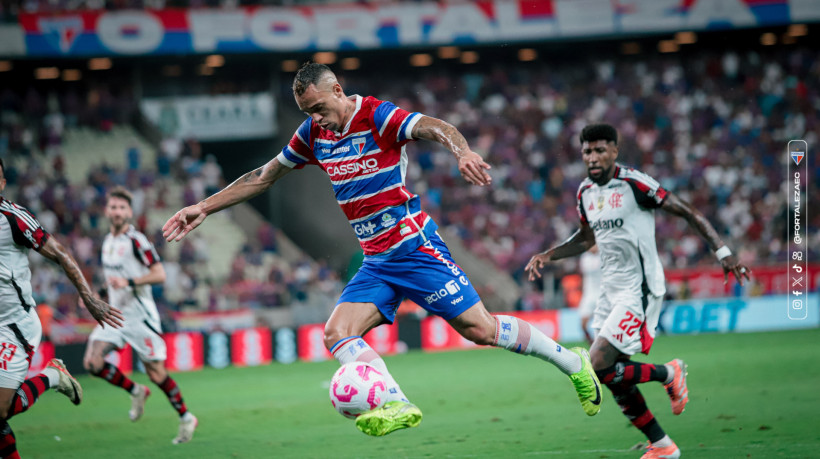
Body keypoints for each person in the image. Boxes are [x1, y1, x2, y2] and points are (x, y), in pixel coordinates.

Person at [163, 62, 602, 437]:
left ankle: (572, 362)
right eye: (307, 113)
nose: (317, 119)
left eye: (319, 108)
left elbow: (434, 126)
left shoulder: (376, 115)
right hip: (377, 260)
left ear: (338, 90)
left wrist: (461, 150)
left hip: (415, 248)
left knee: (480, 331)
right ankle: (394, 401)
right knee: (336, 333)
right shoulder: (312, 134)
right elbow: (263, 176)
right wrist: (203, 206)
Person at [525, 124, 751, 459]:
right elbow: (586, 239)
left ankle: (669, 372)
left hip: (640, 289)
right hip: (609, 291)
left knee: (599, 365)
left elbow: (687, 211)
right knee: (615, 377)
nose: (593, 157)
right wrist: (550, 254)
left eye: (601, 149)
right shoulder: (585, 192)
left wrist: (723, 252)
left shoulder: (635, 183)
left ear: (615, 151)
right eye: (588, 151)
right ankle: (662, 446)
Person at [0, 158, 123, 458]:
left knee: (0, 409)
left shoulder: (12, 217)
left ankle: (54, 377)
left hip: (14, 328)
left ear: (2, 183)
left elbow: (62, 254)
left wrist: (90, 297)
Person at [83, 187, 197, 445]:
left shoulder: (137, 241)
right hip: (115, 316)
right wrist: (94, 296)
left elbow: (159, 274)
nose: (117, 211)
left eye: (122, 207)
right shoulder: (108, 242)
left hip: (140, 318)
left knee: (157, 375)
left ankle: (186, 417)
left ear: (130, 212)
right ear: (106, 211)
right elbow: (112, 280)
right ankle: (135, 390)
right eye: (113, 207)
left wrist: (130, 282)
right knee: (92, 363)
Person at [577, 245, 601, 345]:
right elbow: (583, 275)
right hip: (588, 294)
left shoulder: (604, 256)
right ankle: (591, 343)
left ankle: (601, 346)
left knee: (601, 325)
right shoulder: (584, 257)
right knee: (583, 324)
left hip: (602, 294)